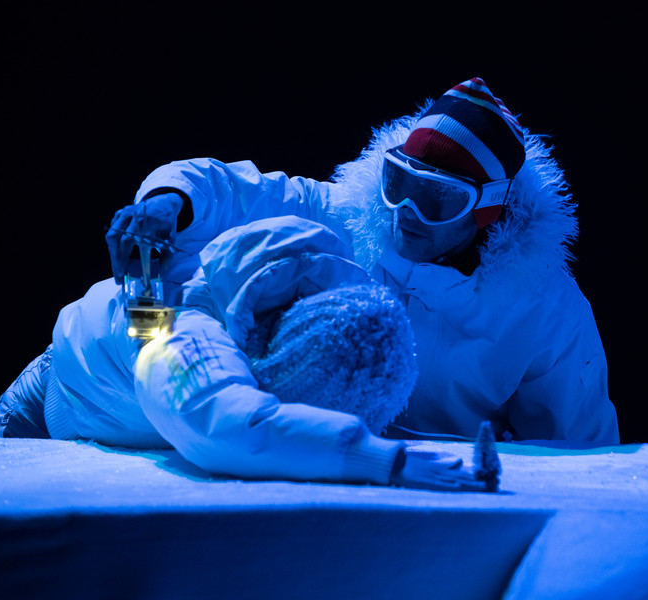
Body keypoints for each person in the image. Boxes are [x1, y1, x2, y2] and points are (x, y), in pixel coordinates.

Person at [107, 77, 620, 444]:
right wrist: (168, 201)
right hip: (310, 461)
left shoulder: (547, 313)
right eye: (399, 182)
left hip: (429, 501)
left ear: (487, 212)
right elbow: (229, 188)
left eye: (438, 198)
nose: (406, 211)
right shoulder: (346, 220)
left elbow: (578, 454)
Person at [0, 216, 491, 491]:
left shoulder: (296, 307)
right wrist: (384, 460)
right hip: (45, 404)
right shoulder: (182, 332)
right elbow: (226, 422)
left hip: (104, 395)